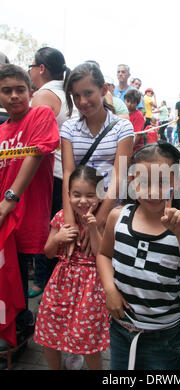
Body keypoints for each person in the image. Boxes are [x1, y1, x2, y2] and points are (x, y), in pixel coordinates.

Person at [97, 141, 180, 370]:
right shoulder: (117, 217)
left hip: (165, 337)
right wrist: (109, 289)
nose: (151, 191)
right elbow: (103, 255)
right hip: (121, 330)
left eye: (161, 182)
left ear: (177, 183)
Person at [0, 64, 59, 368]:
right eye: (6, 90)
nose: (13, 96)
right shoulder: (1, 130)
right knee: (12, 280)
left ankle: (37, 331)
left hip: (29, 214)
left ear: (31, 92)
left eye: (19, 89)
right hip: (5, 220)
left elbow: (37, 152)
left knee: (38, 275)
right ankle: (18, 330)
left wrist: (10, 198)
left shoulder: (40, 115)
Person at [34, 165, 110, 370]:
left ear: (101, 196)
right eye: (77, 194)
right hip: (60, 285)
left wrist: (93, 228)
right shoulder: (61, 217)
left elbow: (100, 254)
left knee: (89, 343)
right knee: (48, 335)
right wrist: (58, 237)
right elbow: (48, 252)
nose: (83, 201)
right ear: (68, 195)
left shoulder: (103, 221)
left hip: (91, 289)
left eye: (90, 195)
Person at [61, 62, 134, 246]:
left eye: (88, 93)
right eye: (76, 95)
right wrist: (70, 223)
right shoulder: (69, 128)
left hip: (110, 211)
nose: (82, 102)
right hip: (78, 207)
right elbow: (68, 174)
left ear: (103, 90)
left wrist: (99, 221)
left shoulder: (123, 127)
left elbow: (120, 176)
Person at [28, 46, 70, 298]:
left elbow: (34, 144)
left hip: (47, 173)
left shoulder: (43, 94)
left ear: (41, 68)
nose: (30, 72)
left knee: (45, 228)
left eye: (32, 67)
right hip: (64, 172)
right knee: (58, 227)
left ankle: (42, 282)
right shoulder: (66, 92)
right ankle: (55, 280)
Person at [124, 88, 145, 153]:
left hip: (134, 150)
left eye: (133, 102)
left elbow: (137, 136)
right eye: (128, 101)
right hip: (123, 146)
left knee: (123, 162)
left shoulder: (139, 116)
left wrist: (127, 150)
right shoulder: (122, 113)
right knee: (121, 162)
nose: (129, 104)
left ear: (137, 103)